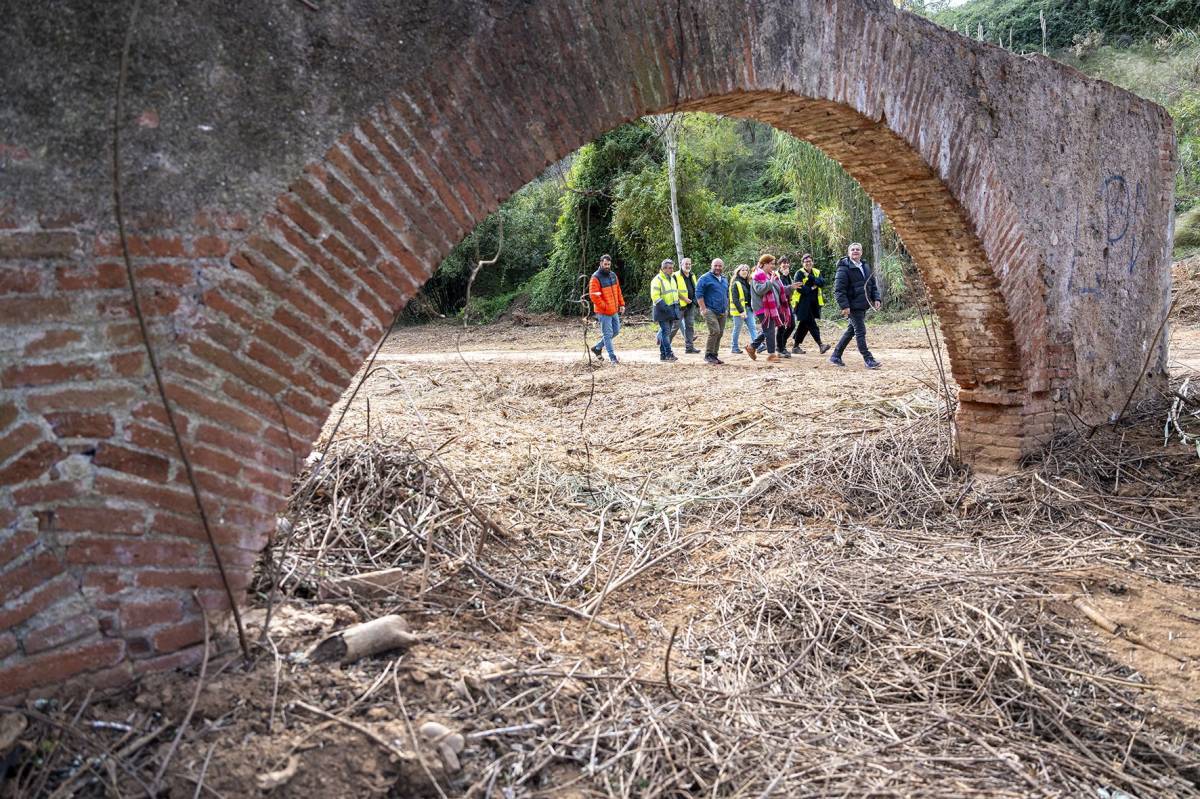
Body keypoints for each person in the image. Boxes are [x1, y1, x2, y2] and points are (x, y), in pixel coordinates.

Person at [830, 242, 882, 369]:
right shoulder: (843, 268)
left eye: (857, 249)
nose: (855, 251)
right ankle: (868, 359)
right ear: (848, 253)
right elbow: (839, 290)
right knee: (860, 331)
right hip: (852, 306)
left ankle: (836, 355)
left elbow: (872, 284)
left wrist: (876, 298)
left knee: (851, 331)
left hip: (863, 304)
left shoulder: (865, 266)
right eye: (852, 249)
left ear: (861, 252)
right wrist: (844, 306)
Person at [745, 254, 789, 363]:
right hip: (762, 308)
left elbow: (778, 290)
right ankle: (771, 355)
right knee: (769, 330)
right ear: (764, 264)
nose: (773, 266)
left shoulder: (770, 275)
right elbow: (760, 290)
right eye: (771, 264)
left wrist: (791, 288)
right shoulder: (757, 275)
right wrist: (770, 282)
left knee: (768, 330)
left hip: (771, 308)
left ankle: (752, 347)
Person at [790, 253, 831, 355]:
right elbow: (801, 290)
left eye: (809, 261)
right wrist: (812, 287)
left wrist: (810, 277)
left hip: (813, 304)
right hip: (802, 304)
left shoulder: (816, 272)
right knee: (812, 324)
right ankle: (821, 345)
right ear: (802, 263)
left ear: (812, 262)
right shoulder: (799, 273)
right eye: (805, 261)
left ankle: (795, 347)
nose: (808, 263)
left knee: (804, 325)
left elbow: (821, 283)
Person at [588, 254, 625, 364]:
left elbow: (618, 291)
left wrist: (621, 304)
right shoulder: (595, 277)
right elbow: (594, 296)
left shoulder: (613, 275)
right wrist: (605, 307)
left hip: (613, 310)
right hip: (603, 312)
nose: (607, 266)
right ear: (600, 263)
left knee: (616, 331)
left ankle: (597, 347)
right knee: (608, 334)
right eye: (605, 264)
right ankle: (612, 357)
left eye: (608, 264)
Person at [694, 258, 729, 364]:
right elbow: (698, 293)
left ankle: (714, 355)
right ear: (711, 266)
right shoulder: (704, 278)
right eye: (715, 266)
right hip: (710, 310)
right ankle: (708, 355)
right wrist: (703, 308)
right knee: (714, 331)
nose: (718, 268)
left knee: (720, 333)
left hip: (722, 311)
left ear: (723, 267)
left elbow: (726, 294)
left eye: (720, 266)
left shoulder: (724, 279)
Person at [650, 259, 682, 362]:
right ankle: (668, 354)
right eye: (670, 268)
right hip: (662, 310)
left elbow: (674, 293)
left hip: (672, 309)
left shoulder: (672, 279)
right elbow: (655, 296)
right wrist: (665, 307)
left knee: (666, 332)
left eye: (672, 268)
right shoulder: (657, 280)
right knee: (666, 332)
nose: (672, 270)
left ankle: (663, 355)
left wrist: (676, 306)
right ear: (663, 269)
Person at [727, 263, 757, 354]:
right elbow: (735, 299)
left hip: (748, 309)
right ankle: (734, 347)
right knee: (737, 329)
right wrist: (741, 311)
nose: (745, 272)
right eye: (742, 270)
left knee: (753, 327)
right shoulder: (735, 283)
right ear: (738, 272)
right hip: (739, 311)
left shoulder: (747, 283)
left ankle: (757, 346)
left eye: (746, 270)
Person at [774, 256, 797, 358]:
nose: (786, 265)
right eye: (783, 263)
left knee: (791, 325)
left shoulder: (788, 275)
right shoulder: (777, 275)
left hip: (788, 303)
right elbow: (780, 289)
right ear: (779, 264)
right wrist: (784, 276)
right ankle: (780, 348)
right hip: (779, 304)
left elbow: (790, 290)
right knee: (781, 327)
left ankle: (781, 344)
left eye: (787, 263)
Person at [677, 257, 699, 354]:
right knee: (674, 326)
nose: (688, 265)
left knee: (690, 326)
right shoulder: (676, 276)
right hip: (679, 305)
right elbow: (674, 290)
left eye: (689, 264)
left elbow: (696, 289)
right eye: (686, 264)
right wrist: (684, 299)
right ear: (681, 265)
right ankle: (665, 347)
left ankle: (689, 348)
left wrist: (694, 301)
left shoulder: (692, 275)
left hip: (690, 306)